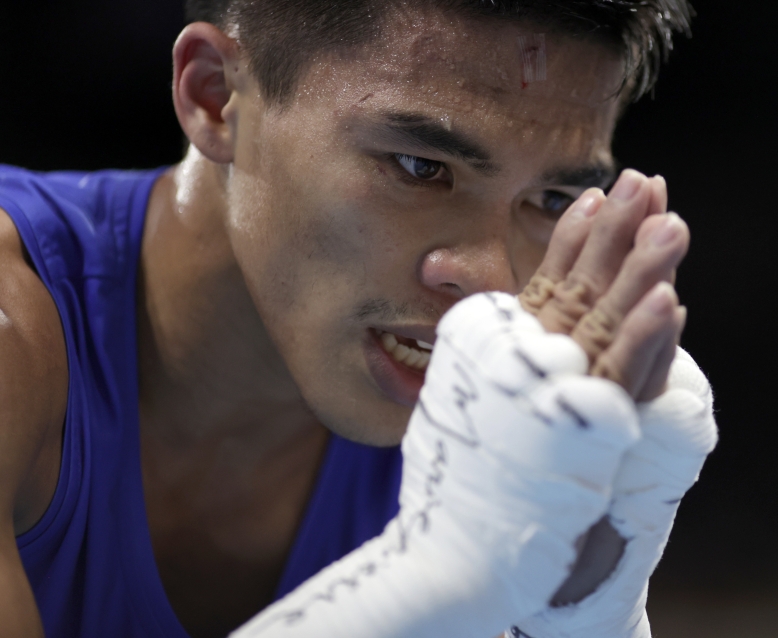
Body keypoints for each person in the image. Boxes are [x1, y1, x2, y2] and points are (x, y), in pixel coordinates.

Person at [0, 1, 717, 636]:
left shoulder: (496, 420)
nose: (493, 283)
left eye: (554, 198)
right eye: (418, 166)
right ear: (215, 97)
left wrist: (581, 621)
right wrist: (445, 577)